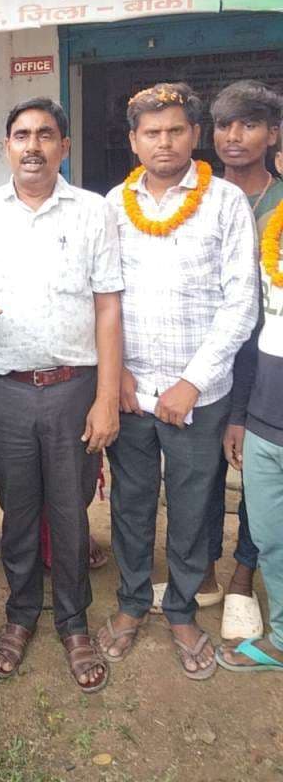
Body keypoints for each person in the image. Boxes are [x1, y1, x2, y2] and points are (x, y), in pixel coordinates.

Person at [0, 97, 123, 694]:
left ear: (63, 146)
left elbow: (108, 308)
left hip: (73, 389)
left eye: (46, 134)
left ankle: (73, 622)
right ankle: (20, 615)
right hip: (6, 391)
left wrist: (105, 397)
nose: (33, 146)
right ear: (6, 146)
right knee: (17, 511)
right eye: (21, 135)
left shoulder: (94, 211)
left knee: (71, 511)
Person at [98, 82, 258, 682]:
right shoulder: (113, 205)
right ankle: (132, 601)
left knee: (193, 505)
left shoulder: (225, 202)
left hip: (200, 392)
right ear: (134, 141)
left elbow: (242, 304)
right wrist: (117, 371)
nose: (163, 142)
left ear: (194, 135)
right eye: (151, 133)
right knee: (132, 502)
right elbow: (102, 295)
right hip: (131, 389)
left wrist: (192, 381)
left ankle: (183, 610)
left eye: (175, 131)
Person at [204, 80, 283, 641]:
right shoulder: (197, 196)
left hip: (267, 362)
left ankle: (243, 574)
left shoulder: (280, 204)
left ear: (273, 134)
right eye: (224, 125)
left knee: (255, 473)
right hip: (206, 354)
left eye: (249, 124)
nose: (234, 136)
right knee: (202, 465)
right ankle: (203, 565)